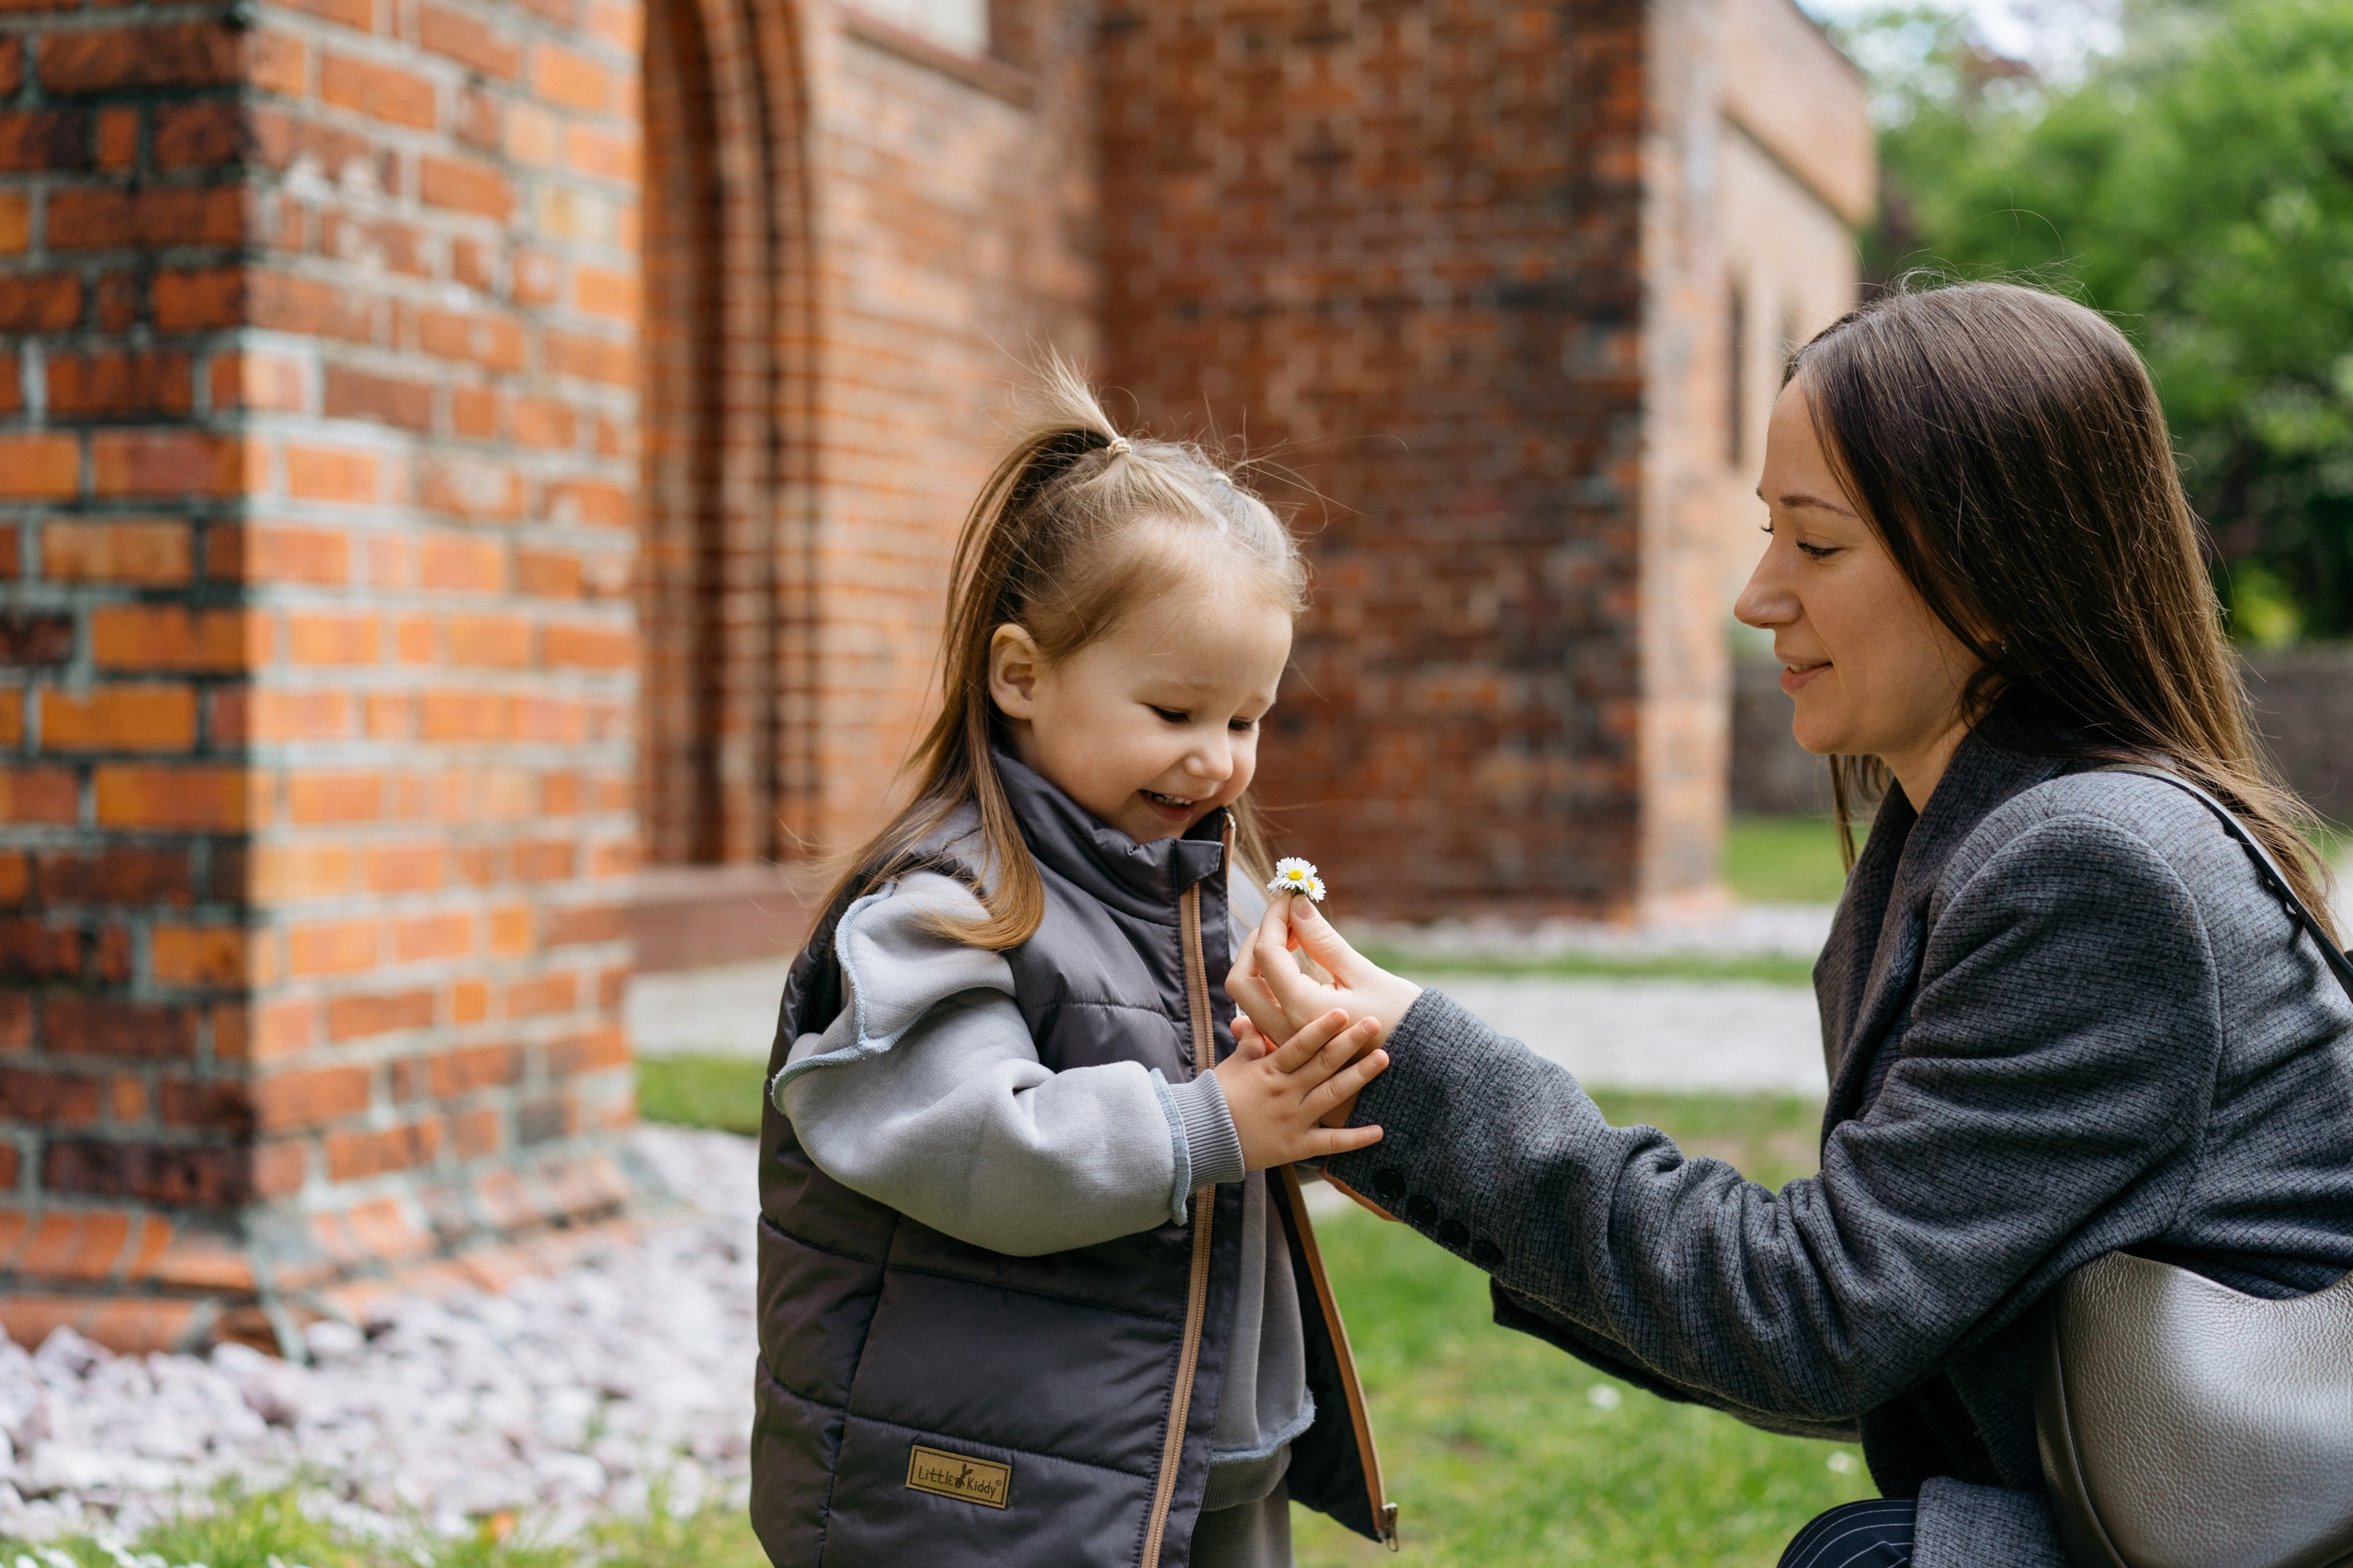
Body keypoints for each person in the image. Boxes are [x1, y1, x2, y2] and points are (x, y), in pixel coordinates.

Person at [1225, 283, 2353, 1567]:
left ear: (1996, 572)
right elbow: (1848, 1316)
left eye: (1816, 546)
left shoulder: (2093, 867)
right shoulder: (1978, 831)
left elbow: (1816, 1315)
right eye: (1772, 533)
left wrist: (1422, 1065)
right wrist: (1400, 1113)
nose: (1759, 595)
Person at [747, 368, 1399, 1568]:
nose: (1217, 761)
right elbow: (983, 1145)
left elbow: (1241, 1136)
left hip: (1208, 1445)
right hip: (994, 1487)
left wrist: (1300, 1083)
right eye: (1174, 711)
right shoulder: (942, 912)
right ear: (1021, 675)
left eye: (1247, 719)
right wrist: (1217, 1119)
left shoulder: (1213, 895)